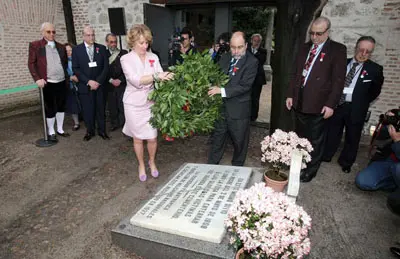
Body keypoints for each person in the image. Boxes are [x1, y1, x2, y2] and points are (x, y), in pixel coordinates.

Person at [286, 17, 347, 182]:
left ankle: (310, 170)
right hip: (300, 100)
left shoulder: (337, 50)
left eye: (319, 34)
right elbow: (295, 73)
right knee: (299, 136)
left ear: (327, 32)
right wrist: (291, 94)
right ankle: (298, 163)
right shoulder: (305, 48)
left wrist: (330, 104)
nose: (314, 37)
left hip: (320, 103)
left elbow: (338, 80)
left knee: (315, 139)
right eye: (312, 33)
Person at [322, 36, 384, 173]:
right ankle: (326, 155)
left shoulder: (375, 70)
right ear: (356, 47)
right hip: (337, 104)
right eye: (361, 49)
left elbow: (375, 91)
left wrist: (360, 101)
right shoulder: (342, 63)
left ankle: (346, 162)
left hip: (356, 108)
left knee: (353, 136)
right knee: (332, 132)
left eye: (368, 51)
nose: (363, 54)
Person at [120, 24, 173, 182]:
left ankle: (152, 161)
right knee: (138, 138)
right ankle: (141, 164)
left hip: (150, 102)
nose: (145, 46)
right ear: (133, 42)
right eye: (141, 43)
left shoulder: (153, 57)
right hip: (133, 104)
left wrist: (169, 80)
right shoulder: (125, 59)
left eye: (147, 42)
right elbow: (135, 80)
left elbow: (160, 78)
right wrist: (157, 76)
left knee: (152, 137)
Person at [207, 31, 258, 166]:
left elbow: (245, 86)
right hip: (222, 108)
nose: (235, 51)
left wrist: (221, 90)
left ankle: (237, 167)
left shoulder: (252, 62)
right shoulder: (225, 57)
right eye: (233, 47)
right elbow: (216, 75)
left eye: (239, 47)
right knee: (218, 137)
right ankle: (212, 164)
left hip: (239, 110)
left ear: (246, 45)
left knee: (239, 141)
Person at [28, 22, 69, 142]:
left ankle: (60, 129)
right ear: (42, 32)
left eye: (53, 31)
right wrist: (37, 78)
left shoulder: (61, 47)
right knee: (50, 107)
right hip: (48, 82)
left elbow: (65, 63)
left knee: (61, 106)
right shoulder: (36, 45)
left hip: (61, 81)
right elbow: (31, 63)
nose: (52, 34)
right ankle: (51, 131)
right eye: (48, 32)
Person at [72, 26, 109, 141]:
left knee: (100, 109)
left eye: (93, 34)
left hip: (99, 86)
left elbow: (106, 67)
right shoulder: (77, 50)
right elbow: (76, 69)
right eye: (88, 35)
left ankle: (102, 131)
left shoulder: (101, 48)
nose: (91, 37)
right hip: (85, 86)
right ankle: (90, 131)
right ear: (83, 36)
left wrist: (98, 82)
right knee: (88, 110)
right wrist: (88, 81)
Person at [105, 33, 128, 132]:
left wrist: (121, 80)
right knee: (112, 105)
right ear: (107, 43)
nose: (114, 44)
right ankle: (114, 123)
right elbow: (101, 70)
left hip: (121, 84)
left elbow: (128, 70)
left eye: (115, 42)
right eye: (111, 42)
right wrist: (110, 80)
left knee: (122, 104)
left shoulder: (123, 53)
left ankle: (124, 124)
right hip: (109, 84)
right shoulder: (103, 54)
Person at [248, 33, 267, 121]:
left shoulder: (263, 51)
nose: (256, 43)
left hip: (257, 79)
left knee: (255, 98)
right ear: (251, 40)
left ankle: (253, 117)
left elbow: (259, 61)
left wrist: (255, 51)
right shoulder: (246, 49)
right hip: (247, 78)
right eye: (255, 41)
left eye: (258, 41)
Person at [65, 43, 81, 131]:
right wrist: (70, 78)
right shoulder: (63, 62)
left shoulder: (78, 59)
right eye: (66, 51)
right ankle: (76, 123)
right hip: (70, 86)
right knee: (73, 104)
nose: (68, 52)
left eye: (70, 50)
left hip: (80, 83)